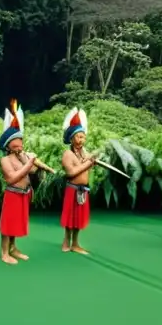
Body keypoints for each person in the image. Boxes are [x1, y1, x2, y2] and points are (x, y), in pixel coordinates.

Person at [0, 100, 36, 264]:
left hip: (24, 194)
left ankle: (13, 248)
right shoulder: (5, 159)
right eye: (16, 143)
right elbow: (12, 178)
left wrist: (26, 159)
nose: (20, 145)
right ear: (9, 146)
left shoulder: (23, 156)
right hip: (13, 194)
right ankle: (4, 252)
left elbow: (33, 171)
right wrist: (28, 163)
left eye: (21, 141)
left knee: (17, 223)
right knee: (8, 224)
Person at [60, 107, 97, 254]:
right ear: (71, 138)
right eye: (78, 137)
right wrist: (88, 163)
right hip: (72, 189)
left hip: (83, 191)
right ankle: (65, 241)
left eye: (83, 137)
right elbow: (71, 172)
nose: (81, 140)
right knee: (70, 218)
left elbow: (86, 168)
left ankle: (75, 243)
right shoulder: (67, 154)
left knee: (78, 219)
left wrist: (91, 161)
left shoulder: (85, 153)